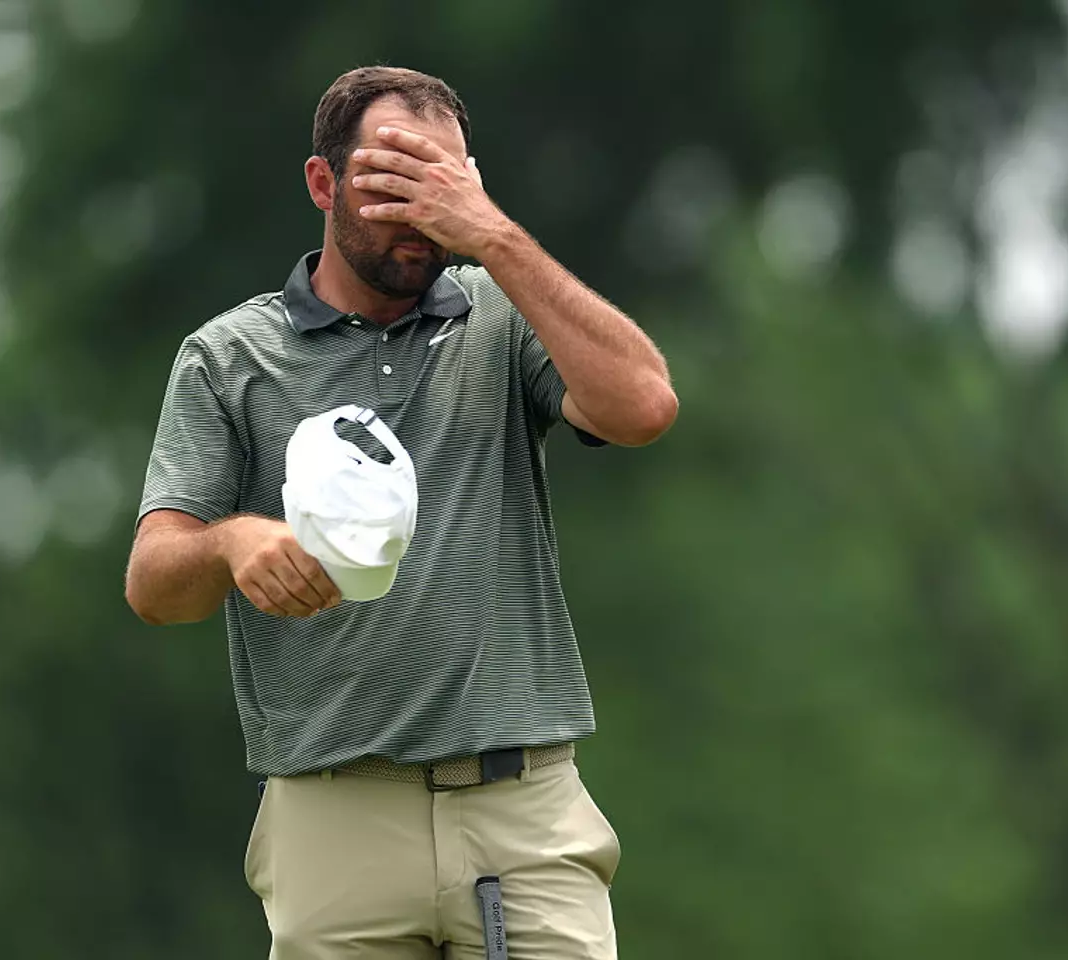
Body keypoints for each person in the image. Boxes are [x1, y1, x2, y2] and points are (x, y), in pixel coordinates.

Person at [124, 65, 678, 960]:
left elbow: (644, 406)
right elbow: (154, 585)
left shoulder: (503, 316)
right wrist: (231, 542)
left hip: (524, 813)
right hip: (331, 820)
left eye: (441, 184)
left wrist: (492, 234)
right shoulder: (228, 357)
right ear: (324, 184)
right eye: (391, 184)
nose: (419, 215)